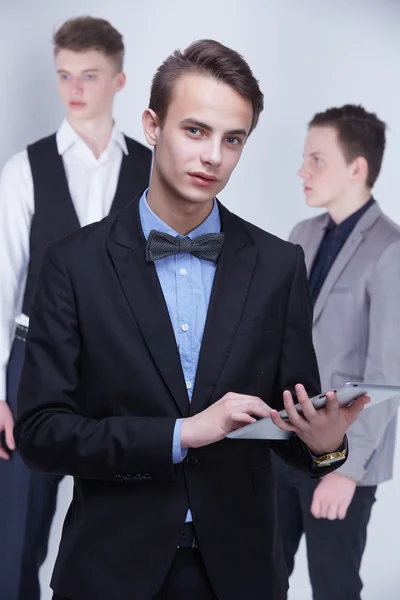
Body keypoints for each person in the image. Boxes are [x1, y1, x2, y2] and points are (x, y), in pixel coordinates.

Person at [15, 42, 368, 600]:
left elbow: (289, 429)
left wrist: (325, 444)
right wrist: (181, 434)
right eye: (196, 131)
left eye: (234, 140)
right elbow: (40, 435)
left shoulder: (278, 266)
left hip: (243, 573)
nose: (214, 157)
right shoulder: (72, 264)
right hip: (109, 570)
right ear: (152, 125)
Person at [0, 16, 152, 600]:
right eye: (65, 74)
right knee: (16, 536)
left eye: (90, 74)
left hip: (122, 371)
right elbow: (6, 279)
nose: (75, 88)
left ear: (118, 80)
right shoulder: (23, 171)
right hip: (33, 364)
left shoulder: (150, 171)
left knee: (118, 533)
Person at [272, 104, 400, 600]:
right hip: (283, 444)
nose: (302, 171)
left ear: (357, 168)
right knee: (259, 578)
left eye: (316, 160)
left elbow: (386, 374)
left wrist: (345, 471)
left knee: (334, 587)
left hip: (343, 455)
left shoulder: (390, 250)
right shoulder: (302, 236)